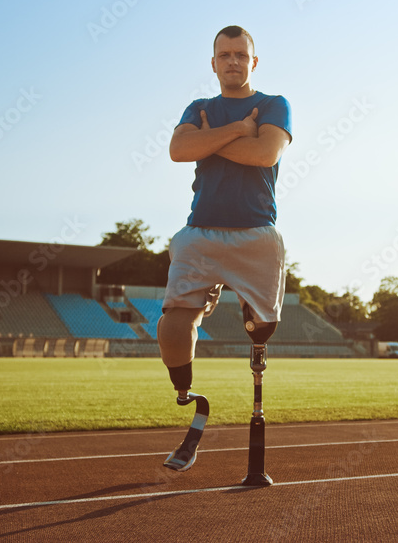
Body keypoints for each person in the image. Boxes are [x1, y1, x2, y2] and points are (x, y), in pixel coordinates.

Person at [158, 25, 292, 470]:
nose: (232, 61)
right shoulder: (200, 107)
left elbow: (265, 155)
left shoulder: (274, 105)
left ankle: (251, 315)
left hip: (255, 232)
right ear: (213, 63)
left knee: (262, 330)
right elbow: (179, 150)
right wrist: (239, 129)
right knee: (173, 328)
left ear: (253, 62)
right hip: (201, 231)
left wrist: (210, 142)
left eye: (240, 54)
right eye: (224, 54)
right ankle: (187, 396)